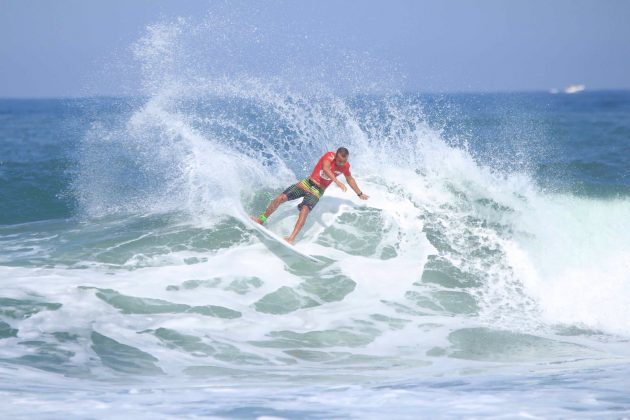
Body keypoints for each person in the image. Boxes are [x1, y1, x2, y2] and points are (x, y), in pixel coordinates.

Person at [252, 147, 369, 244]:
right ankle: (261, 219)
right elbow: (326, 168)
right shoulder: (329, 156)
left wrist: (359, 193)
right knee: (280, 198)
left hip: (317, 191)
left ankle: (291, 238)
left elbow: (349, 178)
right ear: (336, 156)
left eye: (344, 161)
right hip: (307, 183)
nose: (341, 163)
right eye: (339, 161)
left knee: (304, 210)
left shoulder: (346, 166)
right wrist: (337, 181)